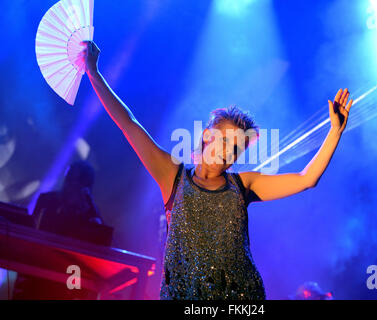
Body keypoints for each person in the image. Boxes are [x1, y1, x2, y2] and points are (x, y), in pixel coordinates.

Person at [81, 41, 353, 300]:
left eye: (236, 148)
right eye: (224, 141)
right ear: (209, 135)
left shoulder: (244, 185)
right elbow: (128, 122)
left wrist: (334, 133)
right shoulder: (172, 177)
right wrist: (93, 73)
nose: (228, 152)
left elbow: (307, 179)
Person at [12, 160, 104, 299]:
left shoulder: (89, 213)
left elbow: (101, 239)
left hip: (68, 280)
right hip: (36, 274)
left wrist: (86, 211)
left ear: (85, 188)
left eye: (75, 182)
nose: (69, 185)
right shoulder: (47, 201)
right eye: (68, 179)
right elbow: (32, 233)